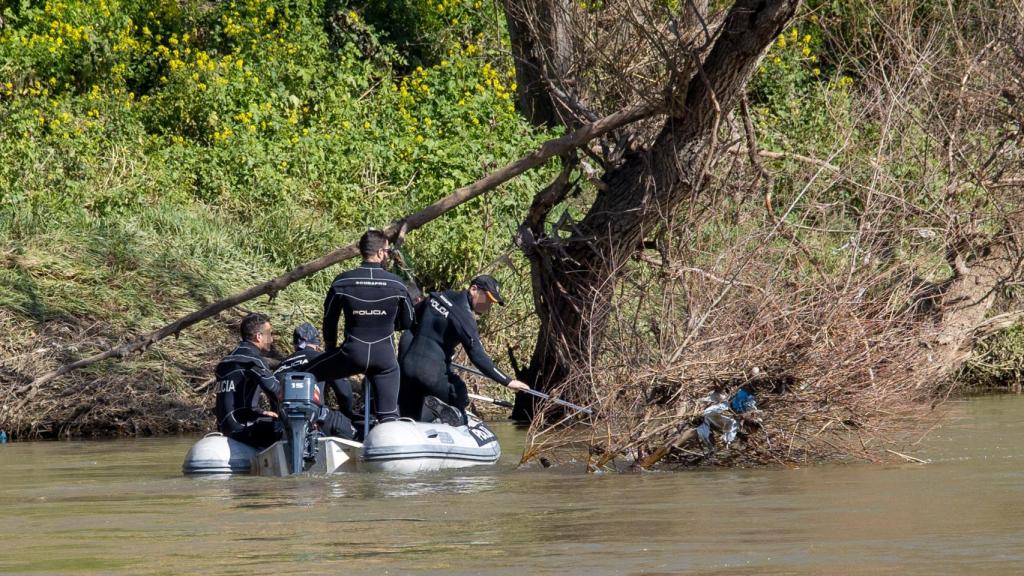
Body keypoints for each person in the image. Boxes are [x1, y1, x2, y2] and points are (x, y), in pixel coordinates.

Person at [305, 230, 415, 423]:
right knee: (389, 415)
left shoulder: (343, 281)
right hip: (385, 359)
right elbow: (408, 321)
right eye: (388, 252)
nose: (388, 256)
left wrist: (331, 348)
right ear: (380, 253)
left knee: (303, 375)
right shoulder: (398, 285)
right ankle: (388, 435)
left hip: (351, 355)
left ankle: (308, 426)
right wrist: (388, 321)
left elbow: (329, 320)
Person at [398, 275, 530, 426]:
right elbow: (478, 357)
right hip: (432, 376)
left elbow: (410, 322)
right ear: (474, 289)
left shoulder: (437, 297)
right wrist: (508, 381)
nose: (488, 306)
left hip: (406, 369)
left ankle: (420, 416)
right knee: (460, 393)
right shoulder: (465, 319)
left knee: (409, 419)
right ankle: (441, 410)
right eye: (487, 299)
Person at [274, 322, 356, 440]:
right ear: (317, 345)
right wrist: (347, 414)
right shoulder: (322, 359)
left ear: (294, 345)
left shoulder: (280, 366)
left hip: (283, 425)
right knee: (353, 431)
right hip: (318, 420)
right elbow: (344, 391)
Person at [214, 312, 283, 449]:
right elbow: (277, 393)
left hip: (225, 427)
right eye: (269, 334)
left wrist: (260, 413)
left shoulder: (226, 360)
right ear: (259, 337)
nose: (272, 339)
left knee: (270, 417)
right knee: (285, 425)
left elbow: (236, 401)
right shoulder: (254, 359)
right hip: (242, 429)